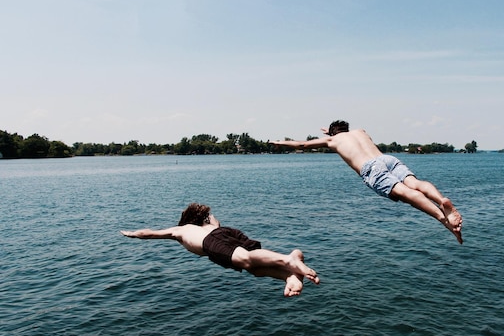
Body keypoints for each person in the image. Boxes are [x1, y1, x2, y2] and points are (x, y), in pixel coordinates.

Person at [271, 120, 463, 244]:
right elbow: (342, 132)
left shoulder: (332, 141)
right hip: (387, 159)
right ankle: (440, 199)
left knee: (406, 195)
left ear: (331, 134)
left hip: (371, 168)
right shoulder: (360, 131)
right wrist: (329, 130)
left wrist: (279, 142)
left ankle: (442, 219)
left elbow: (302, 144)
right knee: (416, 183)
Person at [121, 203, 320, 297]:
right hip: (226, 234)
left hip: (211, 242)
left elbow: (150, 233)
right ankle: (288, 276)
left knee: (247, 259)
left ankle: (289, 259)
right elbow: (214, 220)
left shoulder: (180, 229)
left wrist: (133, 234)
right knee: (254, 269)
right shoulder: (211, 225)